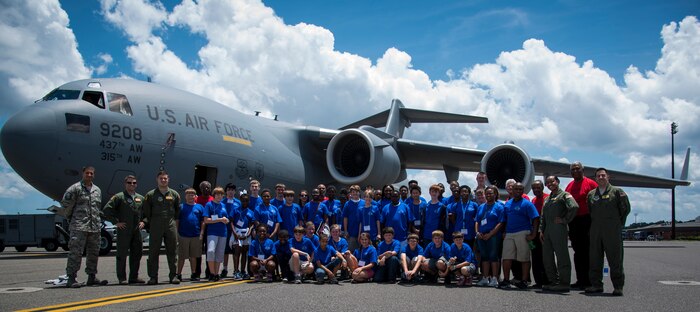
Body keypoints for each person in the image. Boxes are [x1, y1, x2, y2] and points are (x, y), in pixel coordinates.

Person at [585, 168, 630, 296]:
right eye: (598, 176)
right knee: (594, 258)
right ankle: (596, 285)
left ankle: (618, 286)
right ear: (595, 179)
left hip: (612, 230)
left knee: (615, 259)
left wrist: (616, 223)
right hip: (596, 230)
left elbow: (625, 209)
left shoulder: (617, 192)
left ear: (608, 177)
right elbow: (590, 211)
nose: (601, 177)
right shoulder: (591, 194)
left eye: (603, 175)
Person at [61, 166, 107, 288]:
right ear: (83, 174)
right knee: (75, 252)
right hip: (79, 226)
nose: (89, 175)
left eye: (92, 173)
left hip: (94, 227)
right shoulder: (75, 188)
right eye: (87, 173)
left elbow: (97, 208)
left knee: (94, 253)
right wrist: (72, 220)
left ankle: (91, 276)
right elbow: (66, 206)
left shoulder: (97, 190)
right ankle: (71, 277)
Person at [102, 175, 145, 285]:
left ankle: (133, 277)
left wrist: (144, 222)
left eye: (134, 183)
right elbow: (106, 210)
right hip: (124, 229)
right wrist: (115, 222)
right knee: (121, 254)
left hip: (136, 230)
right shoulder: (119, 197)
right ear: (125, 184)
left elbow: (147, 213)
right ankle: (122, 278)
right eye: (129, 183)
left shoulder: (140, 198)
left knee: (137, 253)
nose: (132, 185)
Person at [141, 171, 181, 285]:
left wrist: (173, 222)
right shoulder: (150, 195)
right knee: (153, 251)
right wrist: (152, 222)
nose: (163, 180)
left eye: (165, 179)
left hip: (170, 224)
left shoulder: (174, 194)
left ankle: (173, 276)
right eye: (161, 178)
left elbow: (177, 210)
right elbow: (147, 211)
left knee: (172, 251)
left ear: (168, 180)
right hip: (156, 225)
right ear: (157, 180)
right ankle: (153, 277)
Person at [540, 176, 579, 292]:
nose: (550, 184)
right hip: (547, 231)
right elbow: (543, 216)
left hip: (558, 229)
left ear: (557, 182)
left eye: (552, 181)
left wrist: (564, 220)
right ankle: (553, 281)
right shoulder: (547, 199)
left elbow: (574, 206)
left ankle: (564, 282)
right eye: (547, 182)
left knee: (562, 256)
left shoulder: (564, 195)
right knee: (547, 257)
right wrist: (541, 230)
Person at [500, 182, 540, 290]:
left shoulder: (527, 204)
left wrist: (533, 234)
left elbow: (535, 218)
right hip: (509, 233)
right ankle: (506, 280)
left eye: (520, 190)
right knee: (506, 257)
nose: (518, 191)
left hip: (523, 232)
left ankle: (524, 280)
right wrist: (504, 231)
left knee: (524, 258)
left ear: (523, 191)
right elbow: (504, 219)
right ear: (512, 190)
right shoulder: (508, 204)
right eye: (516, 189)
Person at [565, 161, 598, 289]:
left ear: (583, 169)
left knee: (589, 251)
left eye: (578, 169)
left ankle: (591, 280)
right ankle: (580, 280)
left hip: (588, 220)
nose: (575, 171)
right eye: (573, 169)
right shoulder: (570, 186)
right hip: (574, 221)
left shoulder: (590, 184)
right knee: (578, 252)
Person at [475, 186, 505, 287]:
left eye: (491, 193)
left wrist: (491, 234)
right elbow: (477, 221)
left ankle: (494, 278)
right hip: (482, 235)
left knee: (493, 256)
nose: (488, 195)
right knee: (484, 257)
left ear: (495, 194)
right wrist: (477, 232)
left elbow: (500, 223)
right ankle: (485, 277)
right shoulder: (481, 206)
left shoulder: (499, 206)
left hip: (493, 236)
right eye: (487, 193)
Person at [175, 188, 204, 282]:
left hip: (195, 234)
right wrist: (177, 233)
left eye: (192, 195)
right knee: (181, 256)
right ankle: (178, 274)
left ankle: (194, 273)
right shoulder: (181, 207)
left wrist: (202, 232)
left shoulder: (199, 207)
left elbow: (202, 221)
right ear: (185, 196)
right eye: (188, 195)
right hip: (183, 235)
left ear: (195, 196)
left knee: (193, 256)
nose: (191, 196)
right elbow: (177, 221)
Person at [202, 187, 229, 282]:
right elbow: (206, 220)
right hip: (212, 232)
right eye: (217, 194)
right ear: (214, 195)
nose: (219, 196)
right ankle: (212, 273)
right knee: (210, 251)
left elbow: (226, 217)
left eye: (221, 194)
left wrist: (226, 220)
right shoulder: (209, 205)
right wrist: (220, 220)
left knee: (219, 253)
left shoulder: (223, 205)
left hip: (223, 232)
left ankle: (216, 274)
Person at [530, 180, 550, 288]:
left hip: (544, 232)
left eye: (538, 187)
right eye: (534, 188)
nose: (536, 190)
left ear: (543, 187)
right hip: (534, 233)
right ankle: (538, 281)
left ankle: (548, 280)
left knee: (546, 256)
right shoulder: (533, 200)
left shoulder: (548, 198)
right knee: (535, 257)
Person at [231, 193, 254, 280]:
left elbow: (251, 224)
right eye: (243, 200)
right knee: (237, 252)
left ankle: (243, 271)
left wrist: (249, 233)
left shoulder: (251, 212)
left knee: (244, 253)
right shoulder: (235, 210)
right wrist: (234, 233)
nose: (245, 202)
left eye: (246, 200)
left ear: (249, 201)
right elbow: (232, 222)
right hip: (237, 231)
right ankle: (236, 271)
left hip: (246, 232)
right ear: (240, 200)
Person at [194, 181, 213, 279]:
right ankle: (197, 272)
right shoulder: (197, 199)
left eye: (207, 188)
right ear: (200, 189)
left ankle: (208, 271)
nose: (206, 189)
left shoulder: (212, 200)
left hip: (210, 229)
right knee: (198, 251)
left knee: (209, 251)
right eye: (204, 188)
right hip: (199, 228)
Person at [221, 183, 241, 278]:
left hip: (235, 229)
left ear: (235, 192)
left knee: (235, 251)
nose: (230, 192)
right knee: (225, 251)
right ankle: (224, 268)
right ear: (226, 191)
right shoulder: (222, 202)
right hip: (225, 229)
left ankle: (235, 269)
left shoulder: (238, 202)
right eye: (229, 190)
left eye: (232, 190)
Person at [343, 185, 363, 252]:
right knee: (351, 251)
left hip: (362, 232)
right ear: (350, 193)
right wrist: (346, 231)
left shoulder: (363, 203)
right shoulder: (347, 204)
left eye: (356, 191)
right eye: (353, 192)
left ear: (359, 192)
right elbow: (345, 218)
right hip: (351, 232)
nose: (355, 193)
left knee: (362, 251)